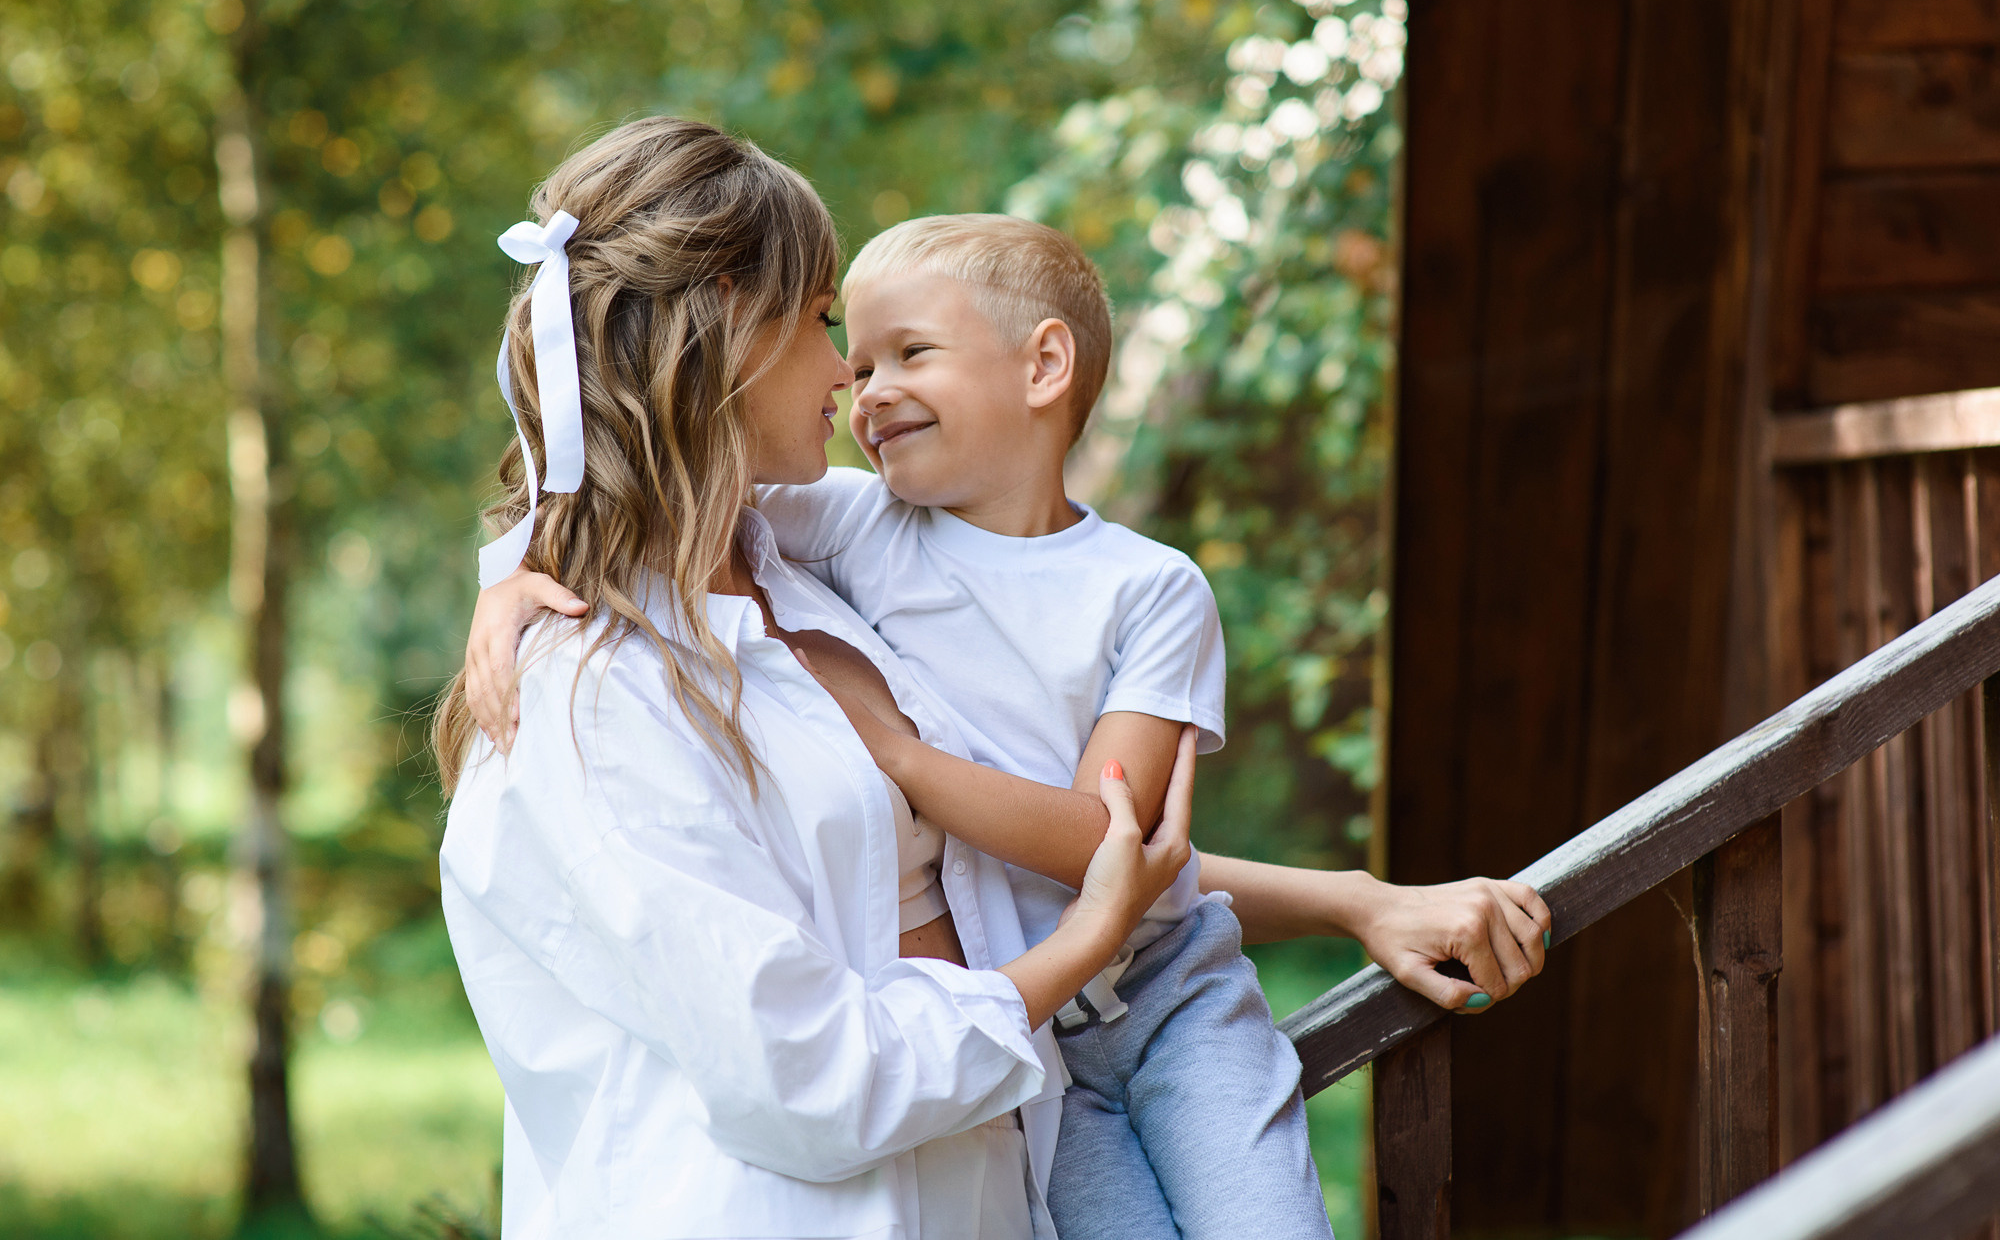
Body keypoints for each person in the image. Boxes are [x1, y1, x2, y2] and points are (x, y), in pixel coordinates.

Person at [469, 207, 1554, 1236]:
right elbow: (638, 485)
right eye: (835, 332)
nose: (855, 379)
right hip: (1026, 1060)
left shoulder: (1122, 589)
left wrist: (899, 759)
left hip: (1147, 1007)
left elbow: (1112, 853)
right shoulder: (840, 539)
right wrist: (516, 570)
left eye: (901, 351)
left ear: (1041, 368)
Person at [433, 116, 1200, 1240]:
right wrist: (1079, 952)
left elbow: (1042, 850)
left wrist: (1352, 899)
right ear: (727, 337)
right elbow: (811, 1079)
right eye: (818, 319)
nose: (846, 367)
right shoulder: (586, 694)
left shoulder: (812, 579)